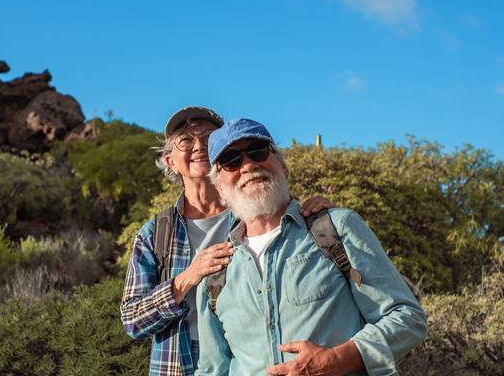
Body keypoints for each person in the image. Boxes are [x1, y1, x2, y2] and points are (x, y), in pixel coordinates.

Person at [195, 118, 428, 376]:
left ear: (283, 165)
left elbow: (407, 318)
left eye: (258, 151)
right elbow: (211, 369)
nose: (249, 165)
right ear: (218, 188)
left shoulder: (337, 228)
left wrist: (338, 359)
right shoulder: (215, 273)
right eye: (231, 160)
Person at [120, 107, 334, 376]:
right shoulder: (154, 234)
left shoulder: (257, 209)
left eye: (209, 138)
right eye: (185, 140)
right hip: (176, 365)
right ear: (170, 161)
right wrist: (188, 277)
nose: (198, 146)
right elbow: (132, 321)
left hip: (250, 361)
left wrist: (314, 210)